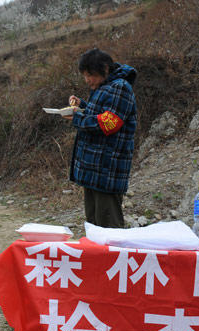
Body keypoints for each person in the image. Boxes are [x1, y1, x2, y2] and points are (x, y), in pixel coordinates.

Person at [64, 48, 137, 228]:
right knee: (94, 226)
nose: (88, 80)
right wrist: (82, 105)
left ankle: (114, 257)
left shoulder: (120, 87)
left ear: (105, 69)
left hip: (107, 171)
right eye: (85, 75)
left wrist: (77, 118)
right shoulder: (105, 86)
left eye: (91, 75)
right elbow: (101, 113)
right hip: (94, 171)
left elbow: (109, 123)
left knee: (109, 228)